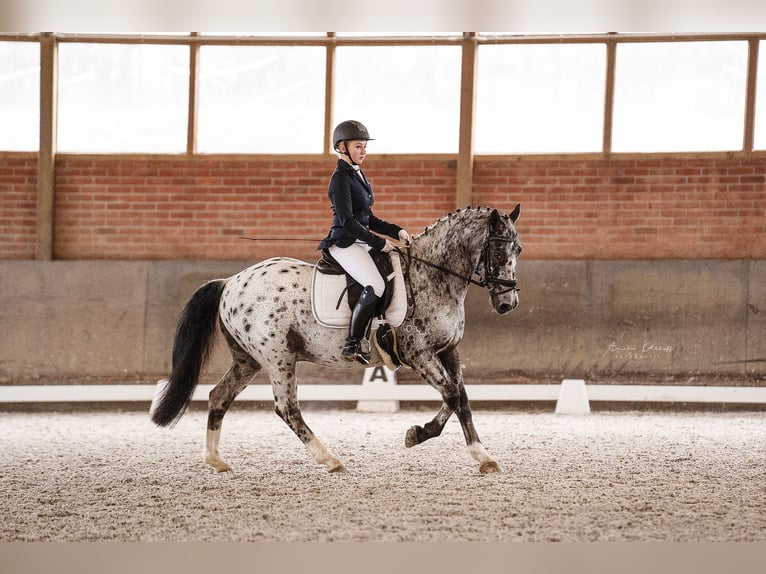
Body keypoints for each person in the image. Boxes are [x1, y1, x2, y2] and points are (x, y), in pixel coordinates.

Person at [318, 120, 411, 364]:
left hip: (360, 240)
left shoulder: (357, 174)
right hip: (345, 243)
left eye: (364, 147)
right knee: (375, 284)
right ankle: (353, 343)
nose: (363, 151)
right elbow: (348, 222)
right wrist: (380, 243)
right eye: (358, 146)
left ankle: (381, 329)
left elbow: (368, 218)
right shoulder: (339, 179)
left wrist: (396, 230)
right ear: (341, 147)